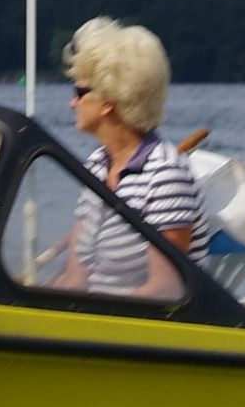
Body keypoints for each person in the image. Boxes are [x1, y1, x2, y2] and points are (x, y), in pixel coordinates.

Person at [53, 17, 214, 299]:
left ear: (108, 101)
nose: (72, 103)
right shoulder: (96, 166)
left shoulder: (166, 174)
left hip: (142, 323)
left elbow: (166, 288)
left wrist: (96, 317)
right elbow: (75, 278)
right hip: (96, 317)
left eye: (79, 92)